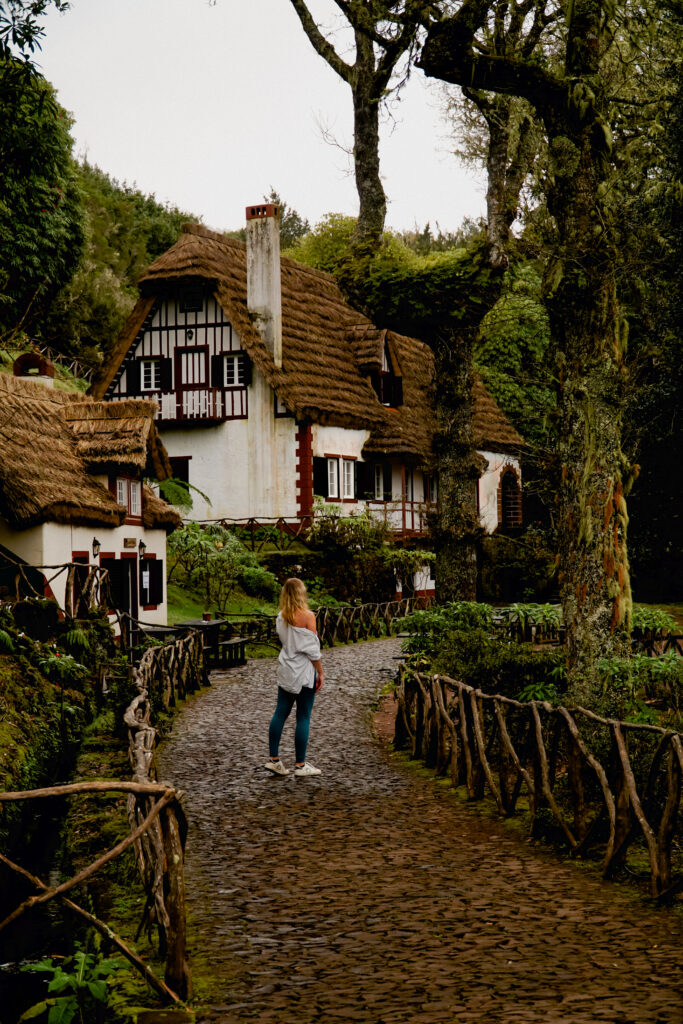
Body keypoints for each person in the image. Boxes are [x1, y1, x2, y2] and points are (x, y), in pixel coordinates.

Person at [265, 578, 324, 778]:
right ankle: (300, 764)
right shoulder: (308, 616)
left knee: (280, 714)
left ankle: (274, 760)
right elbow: (313, 651)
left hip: (286, 669)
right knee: (303, 716)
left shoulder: (281, 617)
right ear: (301, 593)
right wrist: (321, 672)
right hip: (304, 672)